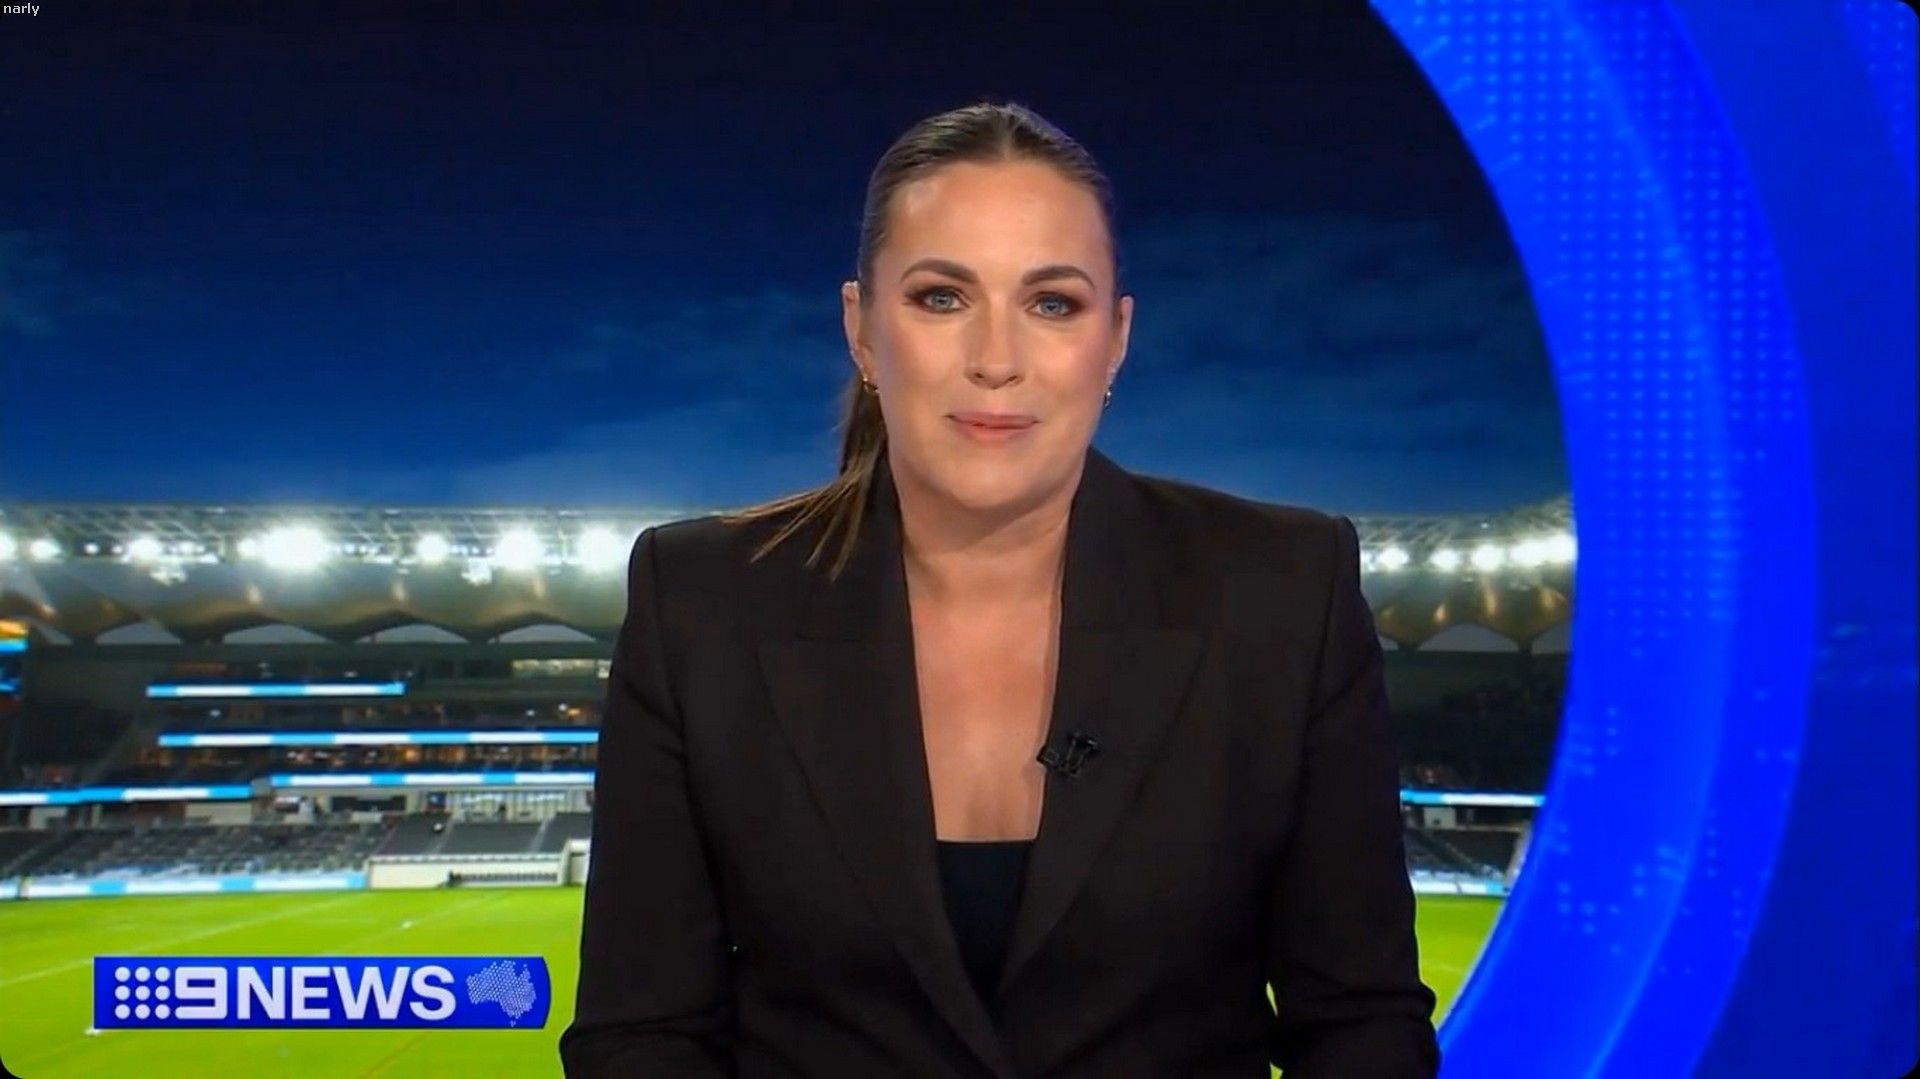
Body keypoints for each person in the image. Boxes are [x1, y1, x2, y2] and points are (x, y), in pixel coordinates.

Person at [561, 100, 1439, 1077]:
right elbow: (640, 1033)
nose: (995, 360)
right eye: (942, 297)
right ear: (861, 329)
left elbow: (1361, 1023)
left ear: (1115, 339)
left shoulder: (1286, 591)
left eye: (1052, 303)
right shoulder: (700, 602)